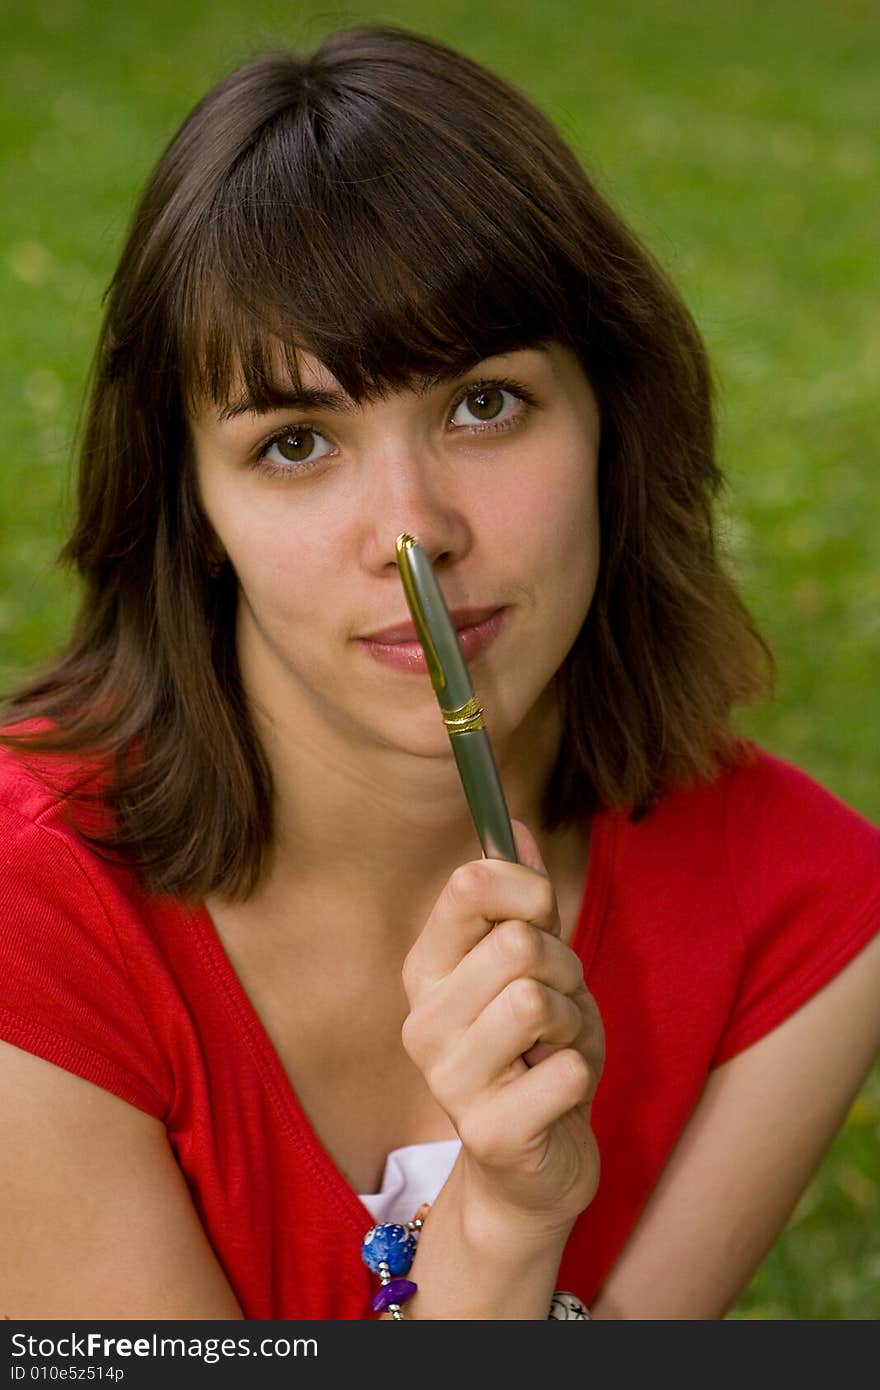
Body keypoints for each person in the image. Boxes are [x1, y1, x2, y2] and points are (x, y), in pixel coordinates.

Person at [1, 23, 878, 1322]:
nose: (413, 532)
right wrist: (496, 1226)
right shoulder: (34, 911)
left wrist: (517, 1222)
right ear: (191, 509)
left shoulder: (810, 922)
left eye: (482, 402)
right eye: (297, 439)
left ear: (612, 424)